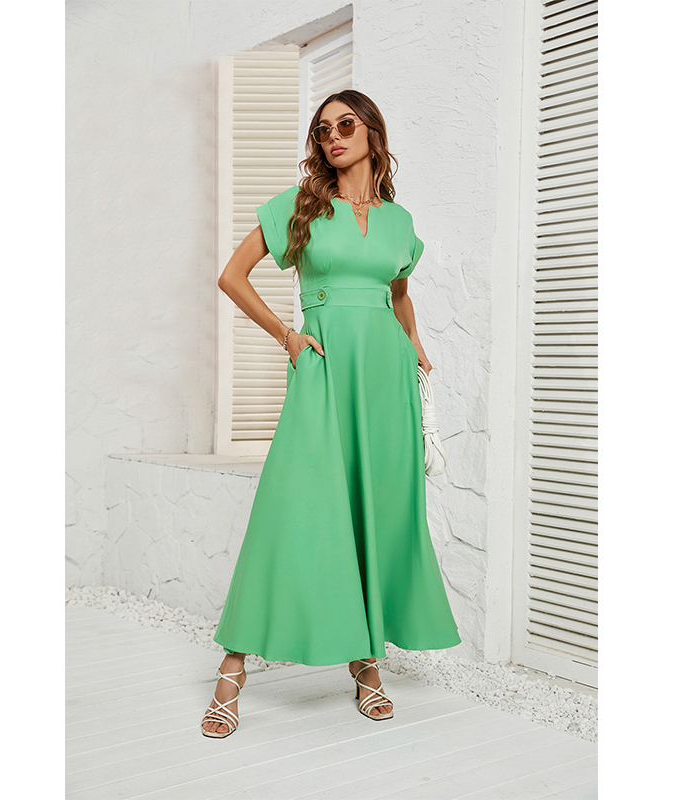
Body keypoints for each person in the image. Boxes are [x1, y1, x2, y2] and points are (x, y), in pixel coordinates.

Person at [202, 89, 461, 738]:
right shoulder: (302, 206)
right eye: (323, 130)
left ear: (372, 132)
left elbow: (397, 295)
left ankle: (367, 664)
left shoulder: (399, 223)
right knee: (293, 509)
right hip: (322, 372)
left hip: (386, 380)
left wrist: (416, 348)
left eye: (346, 124)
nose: (334, 136)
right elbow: (232, 276)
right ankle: (232, 668)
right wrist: (287, 337)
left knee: (376, 514)